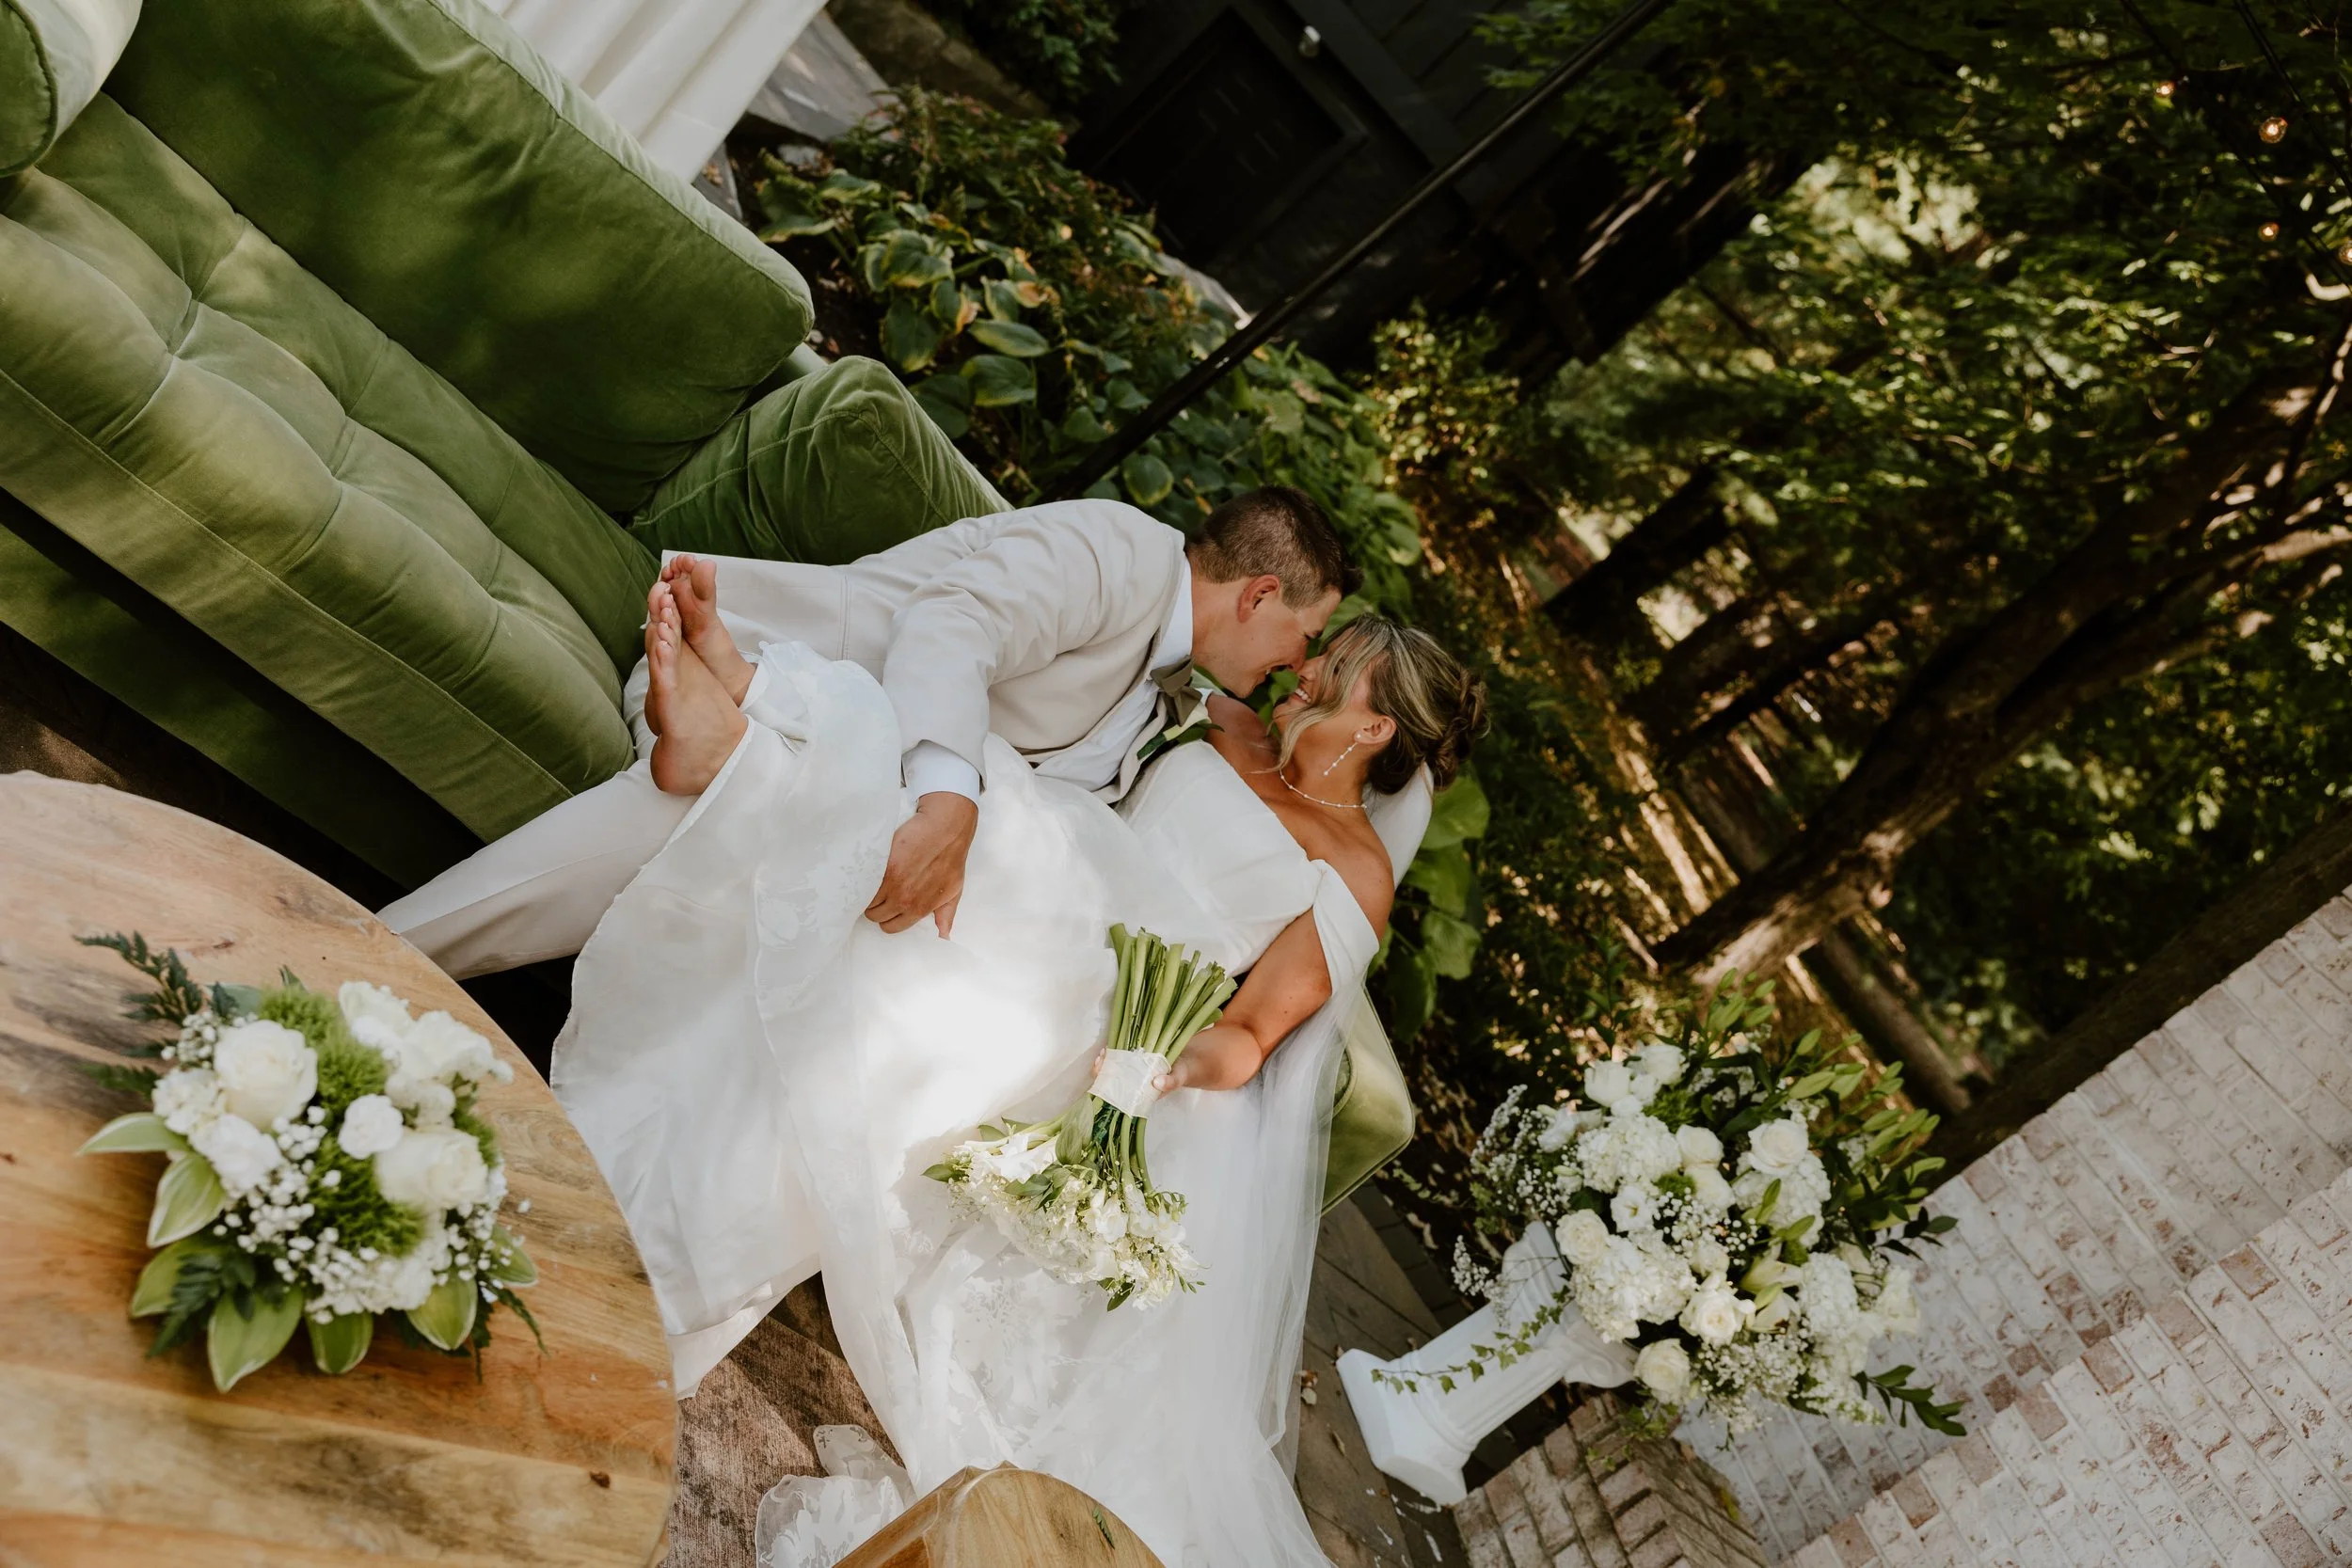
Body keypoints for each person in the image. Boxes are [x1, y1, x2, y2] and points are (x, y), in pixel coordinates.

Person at [576, 569, 1486, 1567]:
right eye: (1325, 650)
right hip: (1053, 868)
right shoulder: (1225, 720)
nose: (1307, 668)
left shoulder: (1352, 870)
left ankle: (692, 1242)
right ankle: (746, 738)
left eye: (1341, 671)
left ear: (1376, 731)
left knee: (949, 997)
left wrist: (1160, 1072)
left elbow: (1252, 1034)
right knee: (938, 873)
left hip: (1117, 1007)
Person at [381, 487, 1354, 974]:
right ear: (1260, 591)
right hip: (812, 687)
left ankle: (736, 736)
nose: (1287, 670)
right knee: (732, 805)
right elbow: (950, 625)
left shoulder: (1174, 690)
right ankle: (379, 957)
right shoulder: (1114, 551)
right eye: (1299, 636)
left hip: (855, 775)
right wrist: (946, 805)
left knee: (823, 860)